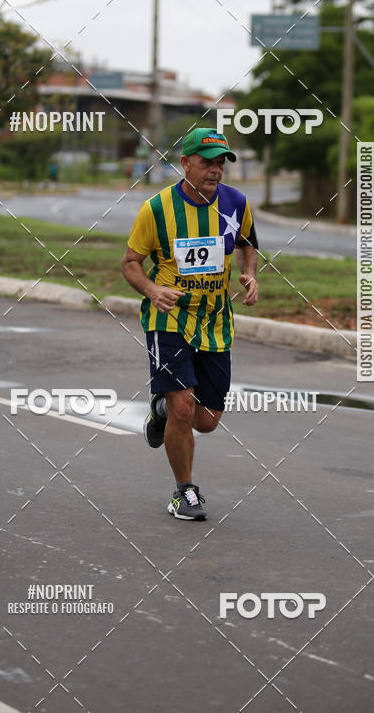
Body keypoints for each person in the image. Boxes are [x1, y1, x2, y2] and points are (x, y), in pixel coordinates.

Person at [122, 128, 258, 521]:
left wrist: (250, 274)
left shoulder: (236, 203)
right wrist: (152, 290)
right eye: (206, 162)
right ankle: (184, 491)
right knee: (184, 408)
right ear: (185, 163)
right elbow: (131, 263)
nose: (215, 171)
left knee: (206, 420)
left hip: (216, 321)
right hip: (170, 319)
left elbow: (248, 244)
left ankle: (160, 410)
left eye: (220, 164)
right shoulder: (157, 209)